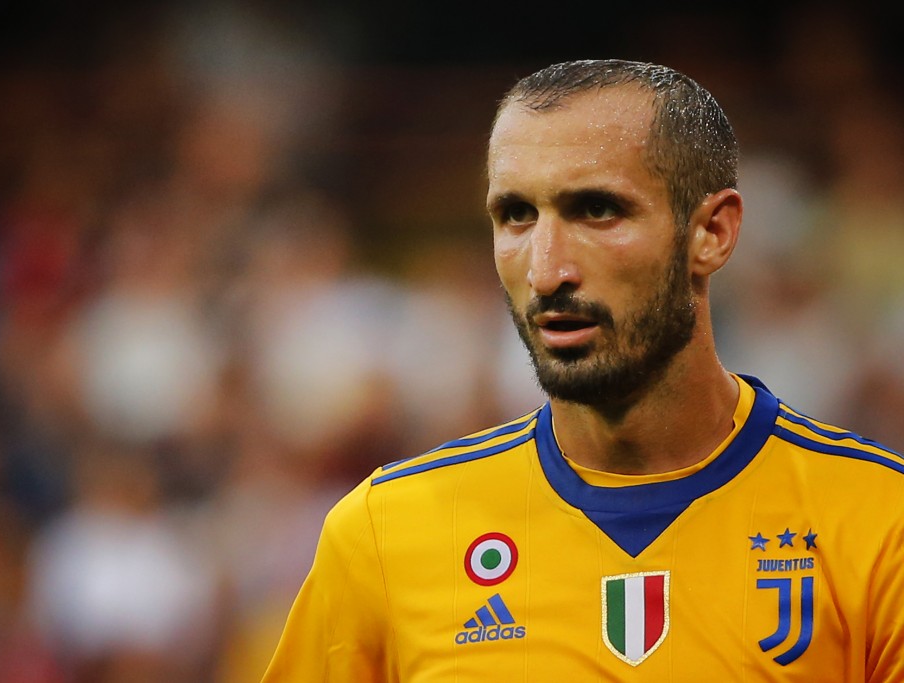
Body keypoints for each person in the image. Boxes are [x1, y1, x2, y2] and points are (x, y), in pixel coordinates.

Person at [260, 59, 904, 681]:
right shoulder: (386, 534)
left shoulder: (879, 523)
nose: (546, 271)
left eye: (597, 210)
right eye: (516, 215)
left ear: (712, 232)